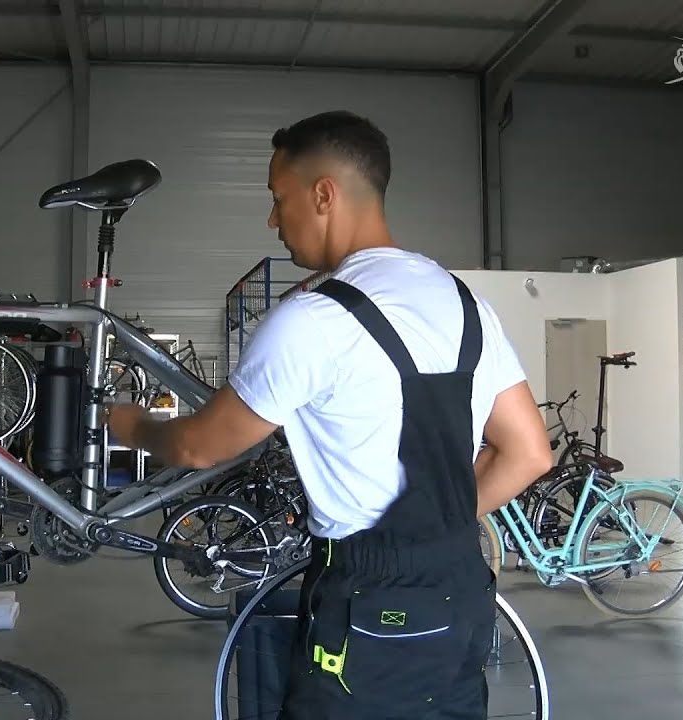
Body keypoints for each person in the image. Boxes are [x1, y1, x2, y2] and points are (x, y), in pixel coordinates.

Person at [106, 110, 552, 719]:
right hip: (461, 591)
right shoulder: (466, 302)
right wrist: (426, 527)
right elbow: (529, 452)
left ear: (323, 195)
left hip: (366, 604)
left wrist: (130, 425)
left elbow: (202, 446)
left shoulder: (312, 320)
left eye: (277, 198)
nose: (272, 220)